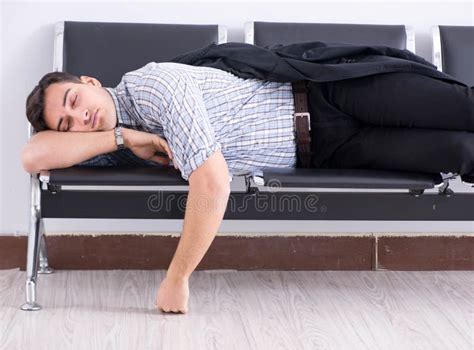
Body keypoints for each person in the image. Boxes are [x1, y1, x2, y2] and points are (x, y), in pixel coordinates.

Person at [23, 61, 474, 314]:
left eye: (74, 101)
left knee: (464, 109)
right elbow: (32, 156)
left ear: (89, 81)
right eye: (67, 123)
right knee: (459, 154)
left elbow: (212, 179)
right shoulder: (113, 142)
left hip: (331, 91)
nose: (79, 118)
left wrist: (176, 279)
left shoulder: (152, 85)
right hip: (332, 149)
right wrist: (124, 138)